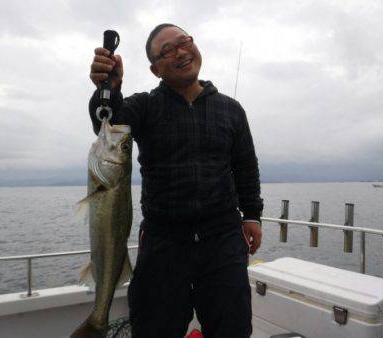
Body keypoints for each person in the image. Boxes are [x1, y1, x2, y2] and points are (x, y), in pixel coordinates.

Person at [88, 23, 264, 338]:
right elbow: (109, 124)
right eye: (166, 51)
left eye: (184, 42)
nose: (180, 52)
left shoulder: (231, 110)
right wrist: (109, 89)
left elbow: (245, 166)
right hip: (163, 243)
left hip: (222, 239)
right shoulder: (144, 106)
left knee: (233, 330)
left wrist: (252, 214)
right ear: (156, 69)